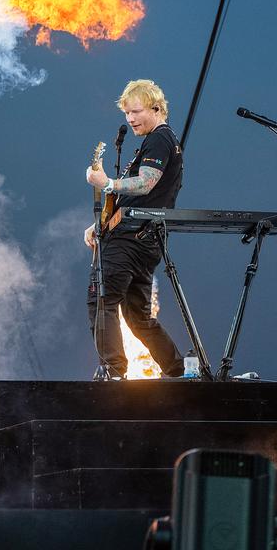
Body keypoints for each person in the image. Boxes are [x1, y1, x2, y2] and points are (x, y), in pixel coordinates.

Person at [84, 79, 185, 378]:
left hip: (129, 240)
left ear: (156, 108)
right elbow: (140, 194)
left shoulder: (159, 139)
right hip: (146, 239)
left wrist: (108, 183)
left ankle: (114, 372)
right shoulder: (162, 140)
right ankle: (178, 371)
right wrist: (100, 222)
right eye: (126, 114)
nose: (130, 119)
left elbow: (146, 183)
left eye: (136, 112)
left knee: (101, 298)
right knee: (138, 316)